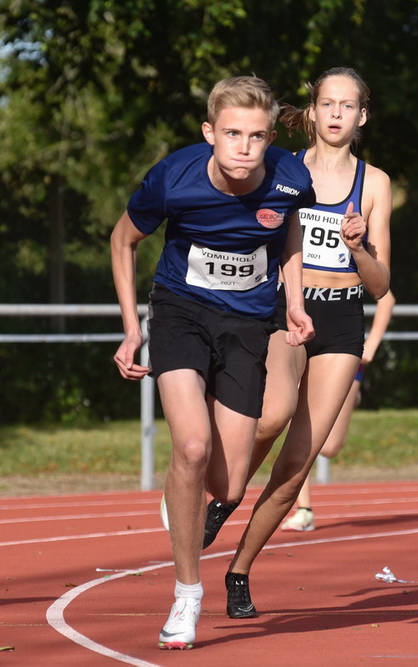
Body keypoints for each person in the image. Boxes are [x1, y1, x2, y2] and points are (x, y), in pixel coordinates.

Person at [109, 75, 316, 649]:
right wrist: (131, 329)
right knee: (193, 447)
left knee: (225, 486)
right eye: (231, 134)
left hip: (248, 321)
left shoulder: (290, 178)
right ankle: (187, 594)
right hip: (180, 310)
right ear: (209, 132)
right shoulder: (172, 179)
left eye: (256, 136)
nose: (243, 148)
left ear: (272, 137)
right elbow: (122, 240)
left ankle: (188, 487)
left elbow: (292, 227)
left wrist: (293, 300)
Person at [201, 67, 392, 619]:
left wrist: (358, 247)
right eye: (327, 103)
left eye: (347, 105)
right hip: (288, 310)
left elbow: (380, 287)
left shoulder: (374, 183)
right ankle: (227, 492)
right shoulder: (281, 169)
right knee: (269, 416)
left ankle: (239, 571)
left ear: (362, 116)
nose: (336, 113)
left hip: (342, 322)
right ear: (310, 113)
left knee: (296, 468)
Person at [281, 288, 396, 532]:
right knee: (297, 428)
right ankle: (304, 509)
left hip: (341, 348)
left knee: (329, 446)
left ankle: (347, 397)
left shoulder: (347, 254)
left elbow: (386, 297)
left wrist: (372, 344)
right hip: (299, 343)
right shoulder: (292, 255)